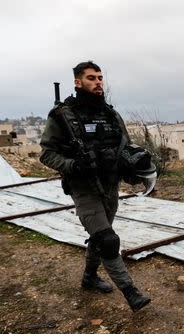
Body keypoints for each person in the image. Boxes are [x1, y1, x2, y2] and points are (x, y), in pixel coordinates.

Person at [40, 60, 151, 312]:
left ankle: (89, 277)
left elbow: (126, 147)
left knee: (99, 236)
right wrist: (73, 165)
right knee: (108, 240)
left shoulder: (111, 114)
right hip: (84, 188)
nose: (98, 82)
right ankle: (131, 292)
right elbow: (46, 154)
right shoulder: (63, 115)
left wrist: (134, 167)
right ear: (78, 82)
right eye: (91, 78)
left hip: (110, 187)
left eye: (100, 78)